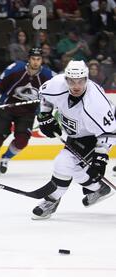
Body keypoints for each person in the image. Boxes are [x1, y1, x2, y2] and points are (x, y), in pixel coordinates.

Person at [32, 60, 116, 219]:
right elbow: (45, 97)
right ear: (66, 79)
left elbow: (109, 133)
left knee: (63, 163)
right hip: (77, 132)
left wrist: (100, 159)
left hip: (97, 134)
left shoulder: (95, 103)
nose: (76, 86)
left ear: (87, 78)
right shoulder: (57, 84)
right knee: (77, 169)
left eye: (81, 81)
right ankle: (99, 188)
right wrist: (45, 116)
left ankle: (51, 200)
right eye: (71, 81)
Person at [0, 47, 53, 176]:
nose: (35, 62)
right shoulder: (16, 68)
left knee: (22, 141)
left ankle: (5, 158)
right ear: (29, 59)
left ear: (42, 60)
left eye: (38, 59)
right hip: (7, 107)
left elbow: (60, 88)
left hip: (28, 112)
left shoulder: (48, 75)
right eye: (33, 59)